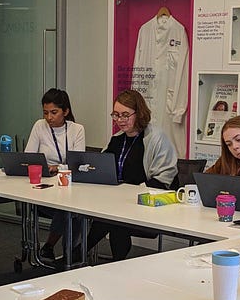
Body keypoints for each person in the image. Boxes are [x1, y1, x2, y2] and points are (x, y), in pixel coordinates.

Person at [85, 89, 177, 260]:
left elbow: (163, 180)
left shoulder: (156, 138)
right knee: (105, 215)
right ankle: (82, 255)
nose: (120, 120)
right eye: (116, 115)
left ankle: (79, 255)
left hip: (148, 204)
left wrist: (130, 196)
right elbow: (101, 168)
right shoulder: (117, 138)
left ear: (139, 113)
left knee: (114, 220)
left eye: (125, 115)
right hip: (118, 203)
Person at [25, 88, 86, 262]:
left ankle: (56, 249)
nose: (49, 117)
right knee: (69, 209)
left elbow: (77, 163)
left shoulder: (77, 130)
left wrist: (57, 167)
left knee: (69, 207)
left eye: (54, 112)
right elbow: (29, 157)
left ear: (65, 111)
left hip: (68, 186)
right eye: (45, 113)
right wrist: (47, 168)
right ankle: (71, 254)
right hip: (43, 186)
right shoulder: (39, 126)